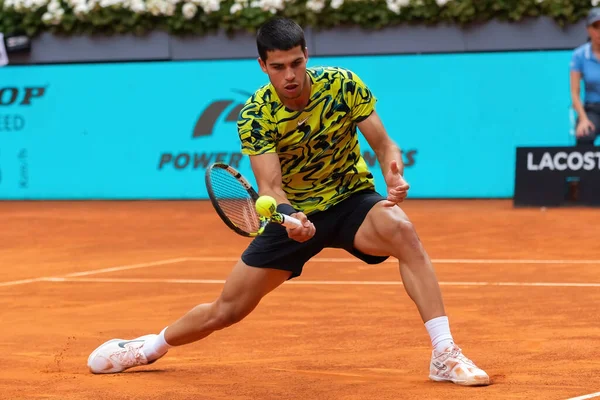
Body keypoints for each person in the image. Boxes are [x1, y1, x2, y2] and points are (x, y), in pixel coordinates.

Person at [87, 17, 490, 387]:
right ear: (262, 66)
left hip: (352, 200)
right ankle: (148, 347)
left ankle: (443, 353)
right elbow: (270, 187)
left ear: (307, 56)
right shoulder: (256, 115)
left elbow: (384, 145)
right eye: (278, 67)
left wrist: (394, 172)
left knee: (403, 231)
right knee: (225, 310)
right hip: (293, 214)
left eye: (296, 63)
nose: (290, 75)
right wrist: (290, 218)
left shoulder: (343, 85)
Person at [570, 7, 600, 146]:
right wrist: (583, 119)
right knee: (584, 136)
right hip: (592, 110)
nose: (599, 32)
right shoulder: (579, 55)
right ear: (588, 29)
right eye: (596, 27)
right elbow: (575, 93)